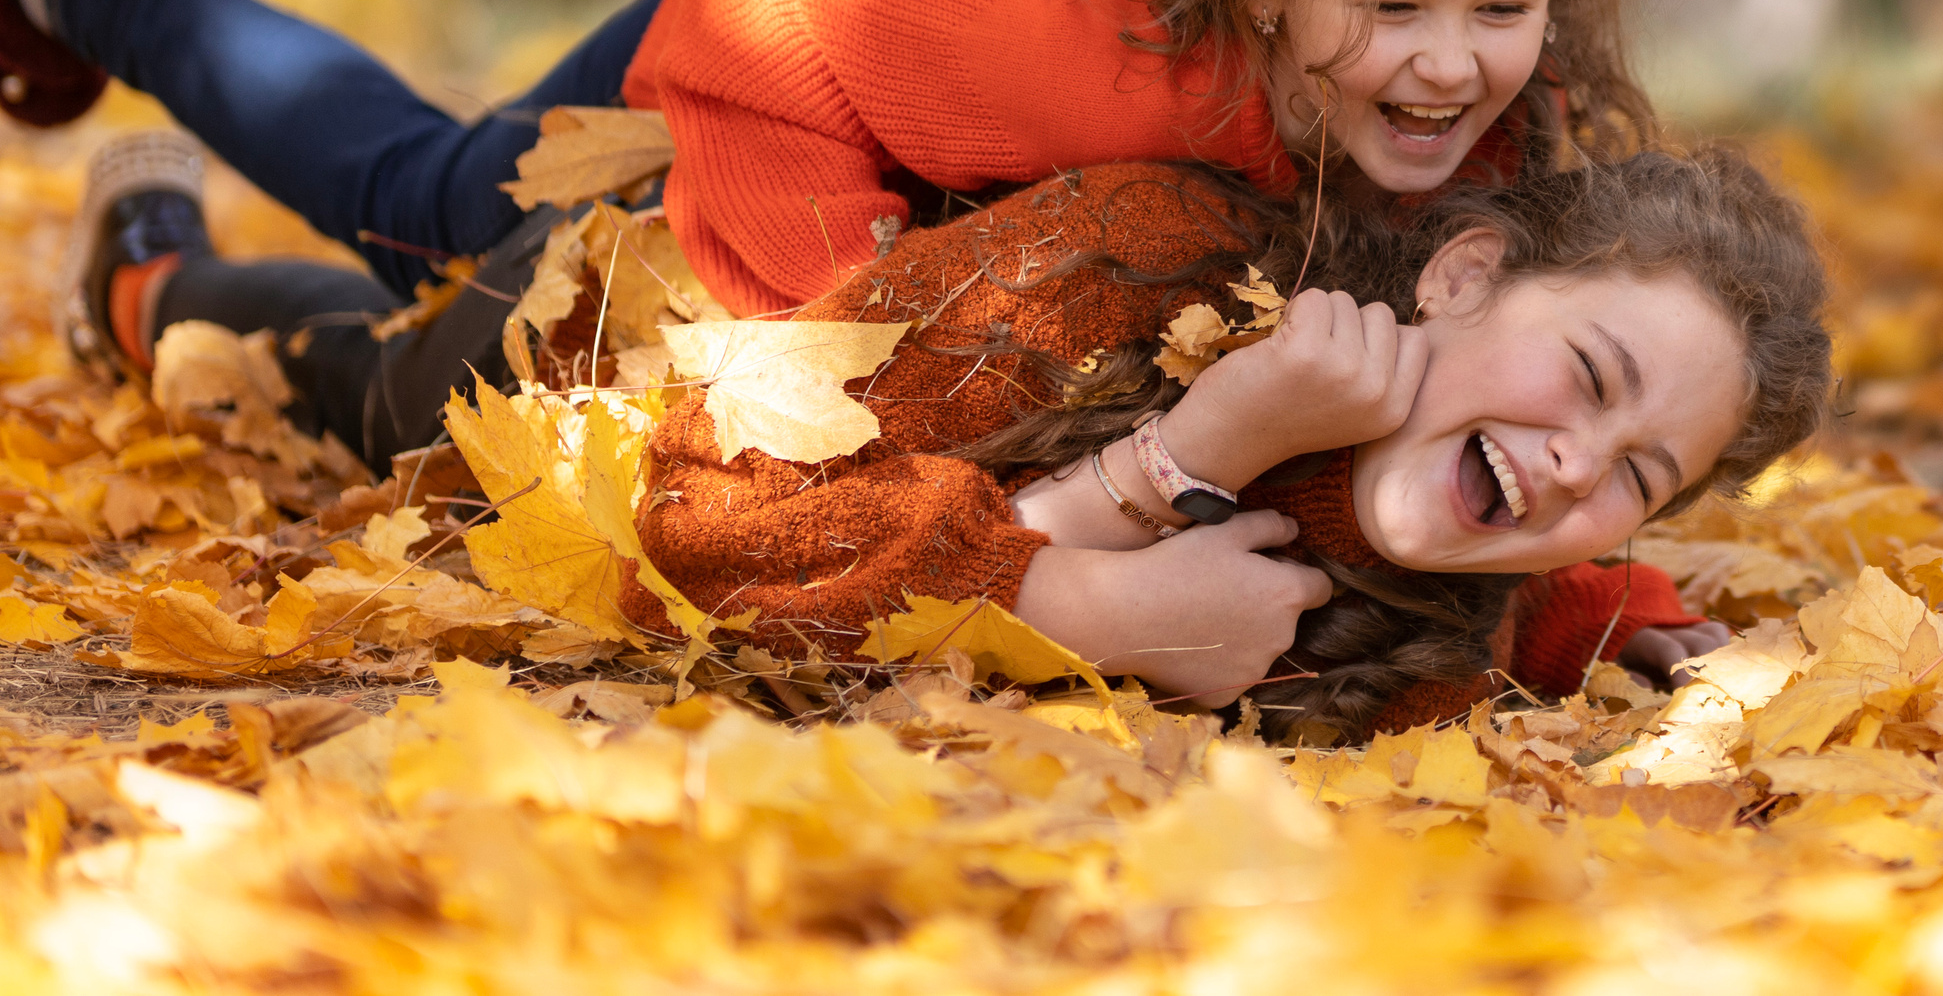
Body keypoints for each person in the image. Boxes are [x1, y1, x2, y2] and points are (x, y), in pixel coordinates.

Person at [2, 0, 1649, 465]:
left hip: (895, 16)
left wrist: (1606, 602)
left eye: (1501, 5)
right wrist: (829, 353)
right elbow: (765, 8)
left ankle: (146, 256)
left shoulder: (1509, 113)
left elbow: (1525, 362)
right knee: (429, 213)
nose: (1452, 64)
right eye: (1398, 7)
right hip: (808, 5)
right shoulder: (1127, 73)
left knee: (436, 251)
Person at [626, 149, 1833, 741]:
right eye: (1588, 376)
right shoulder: (1147, 255)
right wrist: (1079, 597)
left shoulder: (1437, 665)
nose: (1578, 464)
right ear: (1464, 277)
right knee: (436, 177)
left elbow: (1565, 585)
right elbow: (696, 529)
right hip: (559, 293)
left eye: (1637, 475)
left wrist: (1626, 630)